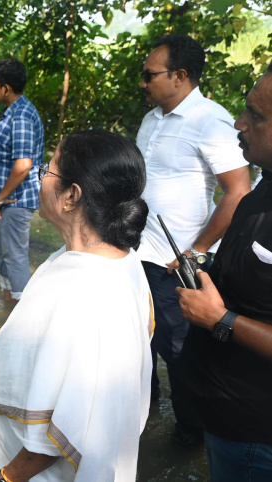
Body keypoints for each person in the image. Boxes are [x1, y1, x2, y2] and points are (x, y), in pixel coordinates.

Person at [0, 130, 153, 482]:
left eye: (48, 170)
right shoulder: (123, 260)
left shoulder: (79, 290)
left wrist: (6, 477)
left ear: (71, 197)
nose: (41, 177)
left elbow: (63, 425)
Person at [135, 34, 251, 445]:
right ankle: (139, 415)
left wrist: (196, 250)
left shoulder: (210, 120)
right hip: (137, 255)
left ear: (180, 76)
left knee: (180, 350)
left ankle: (190, 432)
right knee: (136, 340)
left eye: (150, 75)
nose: (143, 82)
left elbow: (238, 191)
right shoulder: (152, 119)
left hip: (177, 262)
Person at [175, 62, 272, 481]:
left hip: (255, 431)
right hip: (226, 415)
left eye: (258, 116)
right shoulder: (263, 187)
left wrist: (221, 319)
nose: (240, 123)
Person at [0, 58, 44, 304]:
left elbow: (23, 165)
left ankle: (22, 316)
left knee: (15, 256)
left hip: (15, 200)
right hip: (5, 201)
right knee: (2, 252)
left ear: (6, 88)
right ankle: (8, 305)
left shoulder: (20, 116)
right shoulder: (11, 112)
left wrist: (0, 198)